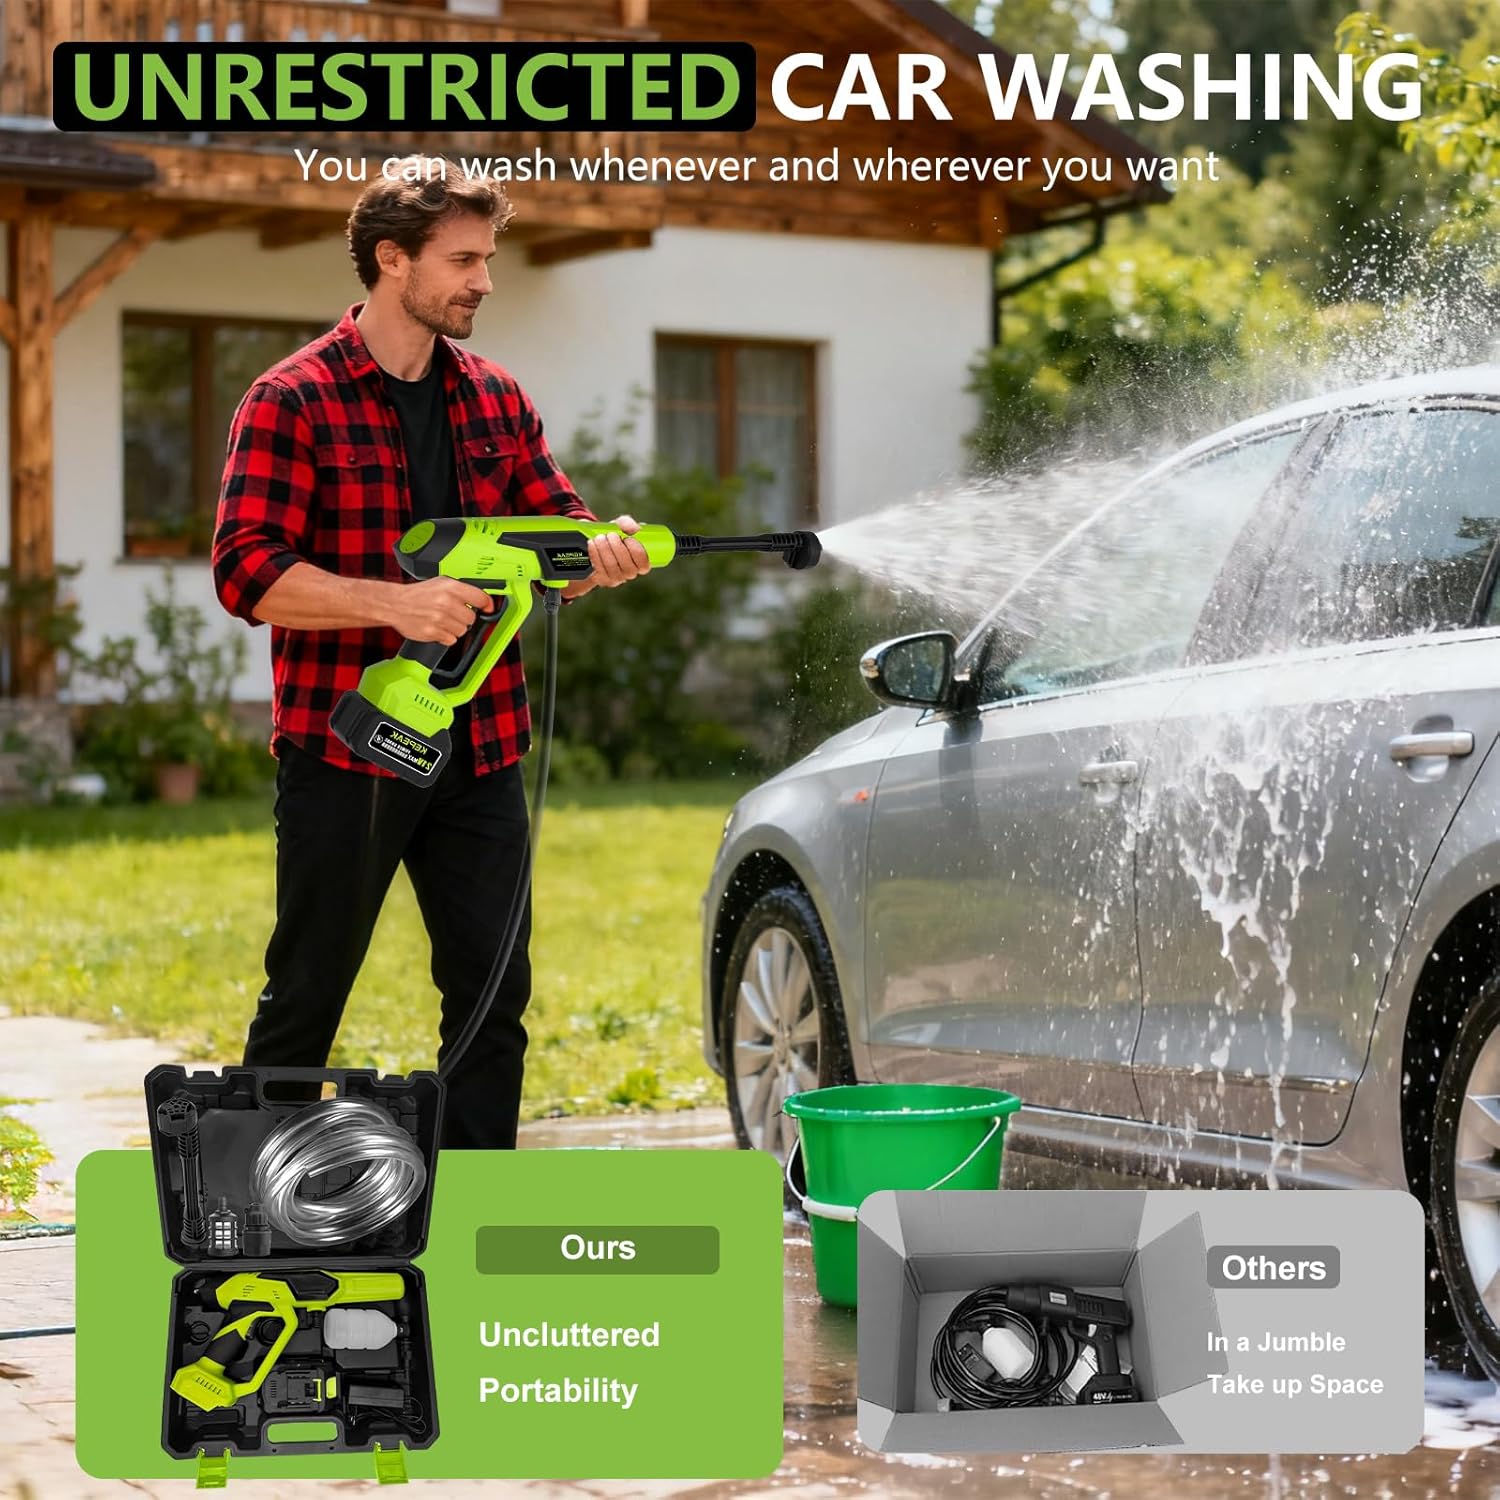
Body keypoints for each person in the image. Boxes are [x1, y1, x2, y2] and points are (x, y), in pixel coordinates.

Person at [211, 156, 649, 1149]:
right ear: (391, 259)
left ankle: (466, 1224)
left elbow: (557, 538)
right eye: (463, 260)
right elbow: (245, 570)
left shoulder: (497, 398)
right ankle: (250, 1218)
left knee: (493, 1004)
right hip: (348, 752)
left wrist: (598, 554)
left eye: (487, 260)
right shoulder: (293, 399)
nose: (483, 281)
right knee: (307, 999)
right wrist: (394, 606)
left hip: (485, 749)